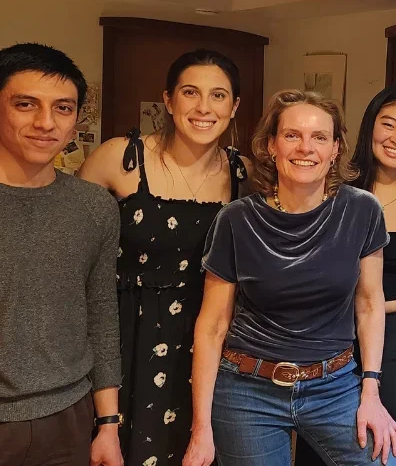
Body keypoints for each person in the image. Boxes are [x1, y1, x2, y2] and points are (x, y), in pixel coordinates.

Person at [182, 89, 396, 466]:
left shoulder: (362, 211)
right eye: (292, 135)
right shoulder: (236, 220)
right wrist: (201, 428)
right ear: (271, 145)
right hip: (248, 390)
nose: (306, 148)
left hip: (335, 386)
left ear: (335, 149)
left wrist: (371, 391)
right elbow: (212, 325)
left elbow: (370, 304)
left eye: (319, 137)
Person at [79, 49, 249, 466]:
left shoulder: (246, 174)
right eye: (190, 92)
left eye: (218, 95)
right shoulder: (119, 159)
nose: (204, 107)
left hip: (211, 343)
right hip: (127, 340)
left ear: (234, 107)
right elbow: (73, 255)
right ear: (169, 100)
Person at [295, 85, 396, 465]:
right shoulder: (334, 189)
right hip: (335, 336)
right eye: (388, 124)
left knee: (388, 451)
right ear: (370, 127)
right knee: (321, 452)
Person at [0, 43, 122, 466]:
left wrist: (108, 424)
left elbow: (101, 315)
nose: (45, 122)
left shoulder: (94, 206)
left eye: (63, 108)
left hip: (70, 417)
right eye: (26, 104)